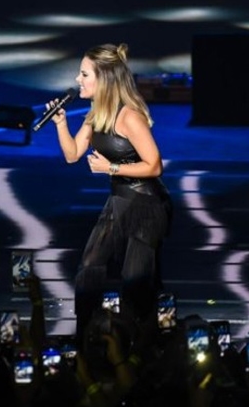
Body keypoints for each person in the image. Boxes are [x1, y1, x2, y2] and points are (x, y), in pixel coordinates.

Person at [49, 43, 172, 356]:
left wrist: (110, 167)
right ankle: (86, 340)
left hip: (147, 205)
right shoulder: (94, 115)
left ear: (103, 79)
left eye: (84, 74)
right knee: (89, 267)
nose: (78, 79)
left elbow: (154, 165)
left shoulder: (128, 117)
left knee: (134, 282)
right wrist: (61, 124)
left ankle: (140, 351)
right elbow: (72, 154)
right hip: (118, 201)